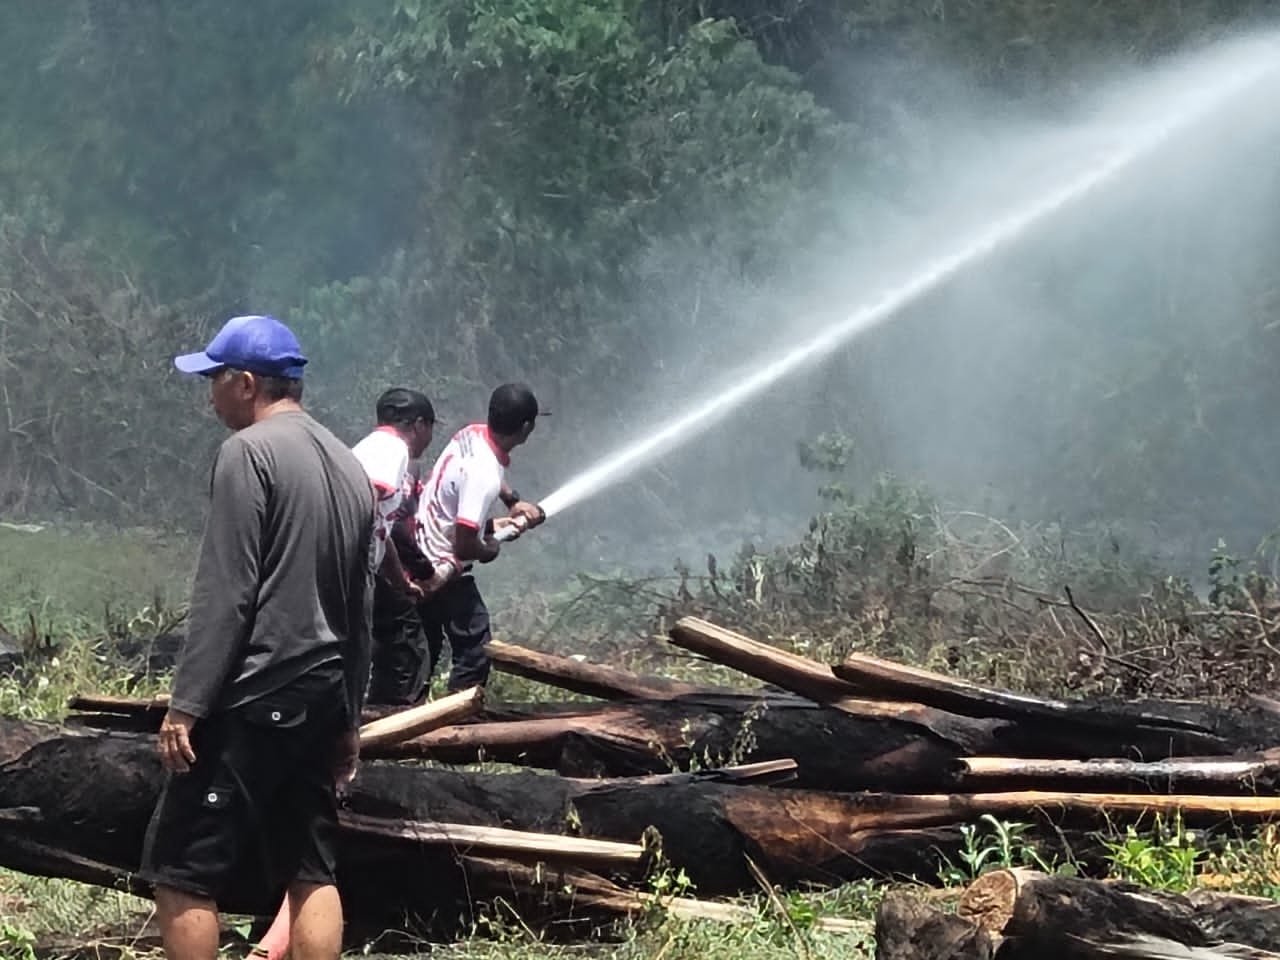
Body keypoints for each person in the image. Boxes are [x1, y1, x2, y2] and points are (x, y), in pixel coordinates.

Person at [138, 314, 376, 960]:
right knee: (310, 867)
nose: (209, 392)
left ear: (245, 383)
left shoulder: (247, 455)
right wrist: (347, 716)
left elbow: (228, 592)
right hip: (322, 690)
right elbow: (361, 606)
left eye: (214, 378)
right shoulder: (347, 465)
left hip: (260, 690)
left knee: (181, 871)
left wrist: (187, 704)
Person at [414, 382, 547, 691]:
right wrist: (490, 549)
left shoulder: (473, 433)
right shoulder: (483, 475)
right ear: (526, 427)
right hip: (440, 562)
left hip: (423, 543)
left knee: (425, 647)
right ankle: (460, 720)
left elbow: (490, 478)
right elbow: (465, 544)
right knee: (475, 644)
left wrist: (513, 501)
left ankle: (408, 713)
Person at [349, 387, 443, 705]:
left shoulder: (373, 446)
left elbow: (382, 528)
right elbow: (362, 506)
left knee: (375, 643)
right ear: (419, 425)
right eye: (430, 427)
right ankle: (397, 723)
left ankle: (373, 719)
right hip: (351, 569)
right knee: (405, 644)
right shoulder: (391, 450)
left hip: (358, 567)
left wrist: (399, 582)